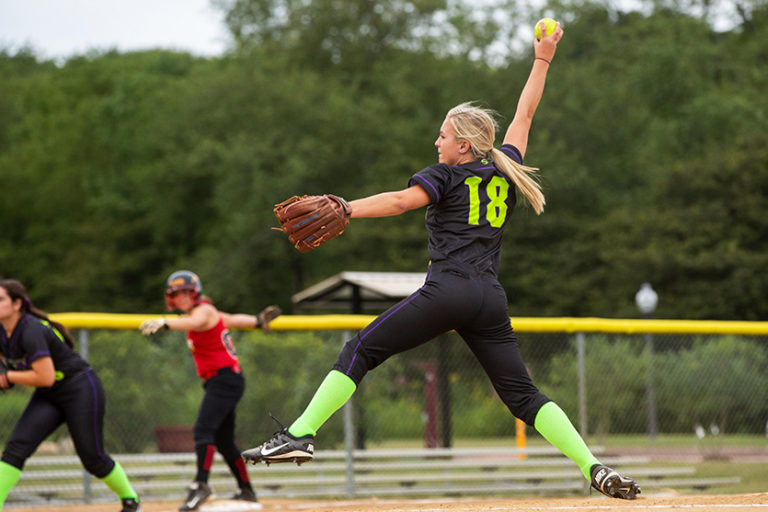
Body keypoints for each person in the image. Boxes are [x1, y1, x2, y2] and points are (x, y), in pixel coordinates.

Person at [241, 23, 641, 500]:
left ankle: (300, 434)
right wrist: (543, 59)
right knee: (524, 397)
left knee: (360, 351)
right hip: (489, 299)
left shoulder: (446, 176)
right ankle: (594, 467)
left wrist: (348, 206)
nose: (437, 142)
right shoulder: (504, 169)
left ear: (464, 146)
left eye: (444, 135)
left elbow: (397, 201)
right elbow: (525, 114)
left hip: (448, 289)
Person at [139, 270, 281, 511]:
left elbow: (194, 322)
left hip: (224, 379)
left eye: (186, 292)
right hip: (224, 380)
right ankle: (247, 491)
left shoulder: (202, 311)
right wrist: (258, 321)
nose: (182, 297)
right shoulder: (206, 312)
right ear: (171, 297)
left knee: (203, 430)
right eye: (177, 293)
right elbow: (234, 319)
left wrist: (165, 323)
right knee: (224, 441)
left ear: (195, 293)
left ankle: (201, 485)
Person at [0, 279, 142, 512]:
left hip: (80, 389)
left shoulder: (31, 330)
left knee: (92, 458)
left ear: (17, 304)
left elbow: (44, 377)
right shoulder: (2, 331)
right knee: (16, 448)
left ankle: (131, 501)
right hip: (49, 395)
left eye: (0, 299)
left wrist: (9, 376)